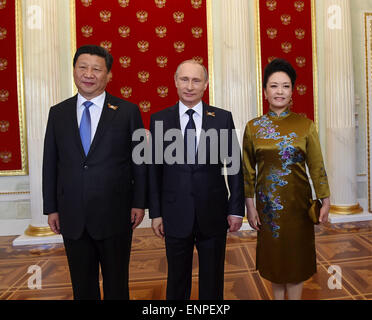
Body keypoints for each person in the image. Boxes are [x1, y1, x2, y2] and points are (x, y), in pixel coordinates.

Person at [42, 45, 147, 300]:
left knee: (117, 284)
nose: (88, 74)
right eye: (83, 67)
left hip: (116, 214)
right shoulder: (58, 113)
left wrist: (139, 203)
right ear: (74, 71)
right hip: (72, 214)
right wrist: (51, 208)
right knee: (82, 285)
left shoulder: (127, 111)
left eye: (96, 69)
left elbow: (140, 162)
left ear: (108, 75)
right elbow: (50, 162)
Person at [148, 60, 245, 300]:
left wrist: (236, 210)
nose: (189, 86)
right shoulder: (159, 119)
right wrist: (156, 213)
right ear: (175, 81)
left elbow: (234, 167)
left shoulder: (222, 118)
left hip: (213, 212)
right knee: (177, 279)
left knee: (212, 280)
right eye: (184, 79)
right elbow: (154, 171)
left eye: (196, 80)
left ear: (205, 84)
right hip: (174, 212)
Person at [243, 58, 330, 300]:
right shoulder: (253, 127)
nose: (279, 91)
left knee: (295, 263)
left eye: (285, 86)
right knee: (275, 264)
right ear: (265, 91)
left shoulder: (305, 125)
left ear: (292, 91)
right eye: (274, 86)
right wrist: (250, 207)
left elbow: (316, 165)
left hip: (298, 206)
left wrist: (325, 200)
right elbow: (248, 171)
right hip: (268, 208)